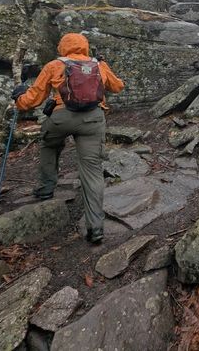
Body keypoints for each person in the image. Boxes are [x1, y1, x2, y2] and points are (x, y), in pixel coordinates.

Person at [12, 33, 124, 244]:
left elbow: (32, 100)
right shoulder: (98, 65)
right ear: (85, 46)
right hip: (93, 120)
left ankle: (46, 188)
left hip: (61, 118)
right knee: (92, 170)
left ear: (62, 47)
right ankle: (96, 228)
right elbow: (118, 86)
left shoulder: (55, 65)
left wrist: (19, 97)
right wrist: (104, 66)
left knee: (49, 144)